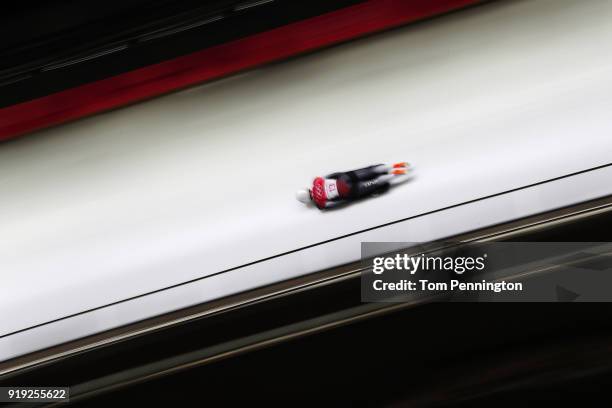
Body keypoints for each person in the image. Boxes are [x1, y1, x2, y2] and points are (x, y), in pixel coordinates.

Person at [296, 162, 410, 209]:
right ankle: (397, 165)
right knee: (373, 170)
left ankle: (399, 175)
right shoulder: (316, 182)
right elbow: (329, 176)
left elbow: (333, 205)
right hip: (346, 178)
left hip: (351, 190)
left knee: (376, 182)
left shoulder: (319, 203)